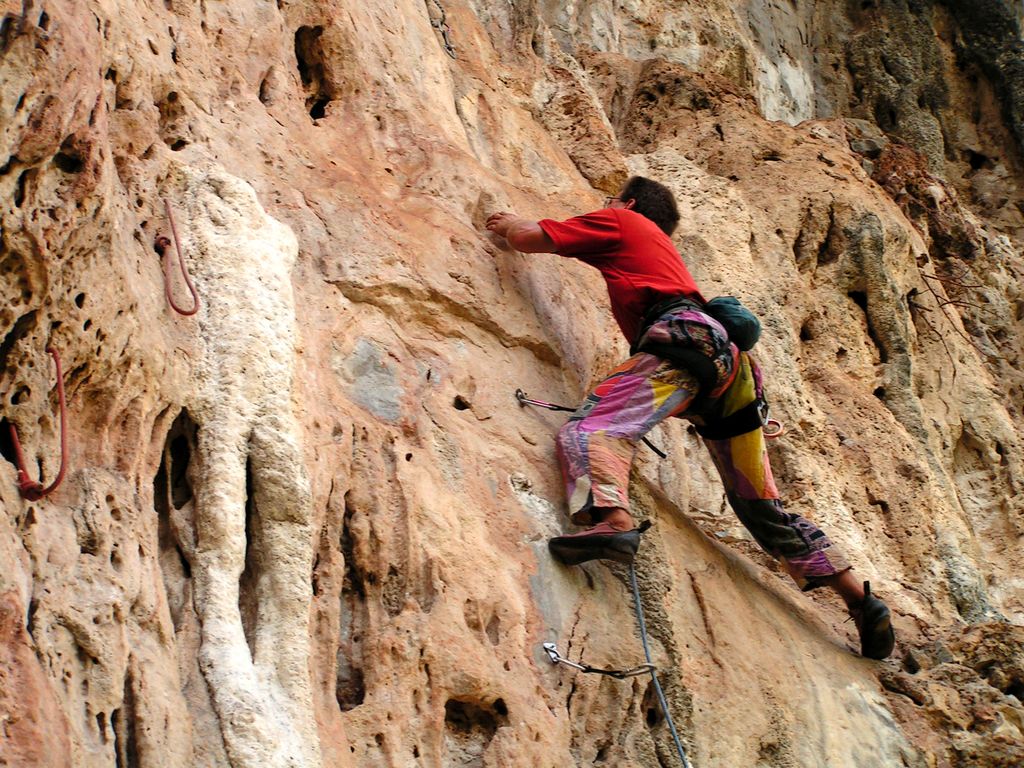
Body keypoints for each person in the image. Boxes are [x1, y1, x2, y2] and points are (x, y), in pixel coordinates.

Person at [486, 176, 896, 660]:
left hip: (684, 344)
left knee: (596, 427)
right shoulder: (664, 255)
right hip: (735, 375)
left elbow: (532, 238)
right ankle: (858, 598)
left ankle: (612, 519)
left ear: (630, 203)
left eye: (612, 199)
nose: (607, 205)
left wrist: (505, 223)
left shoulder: (622, 220)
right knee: (758, 504)